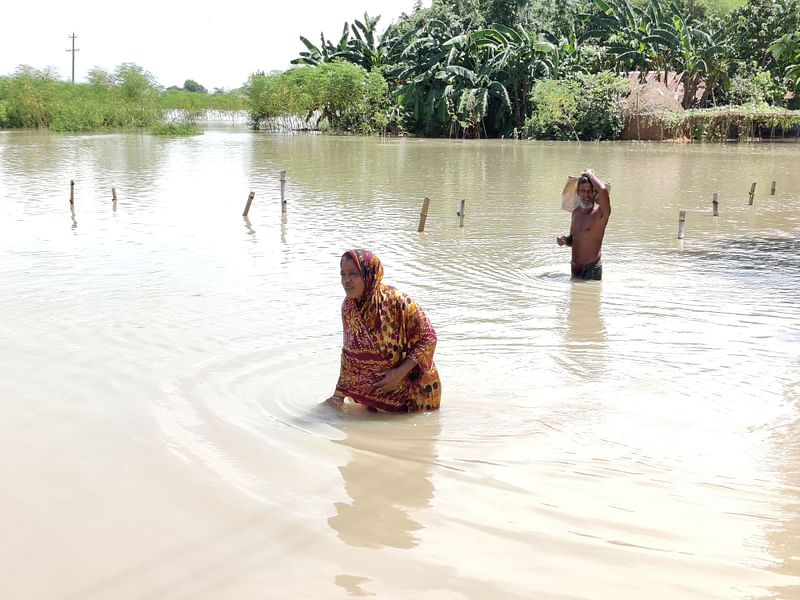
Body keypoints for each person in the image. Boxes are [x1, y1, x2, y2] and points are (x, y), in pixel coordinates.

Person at [326, 249, 441, 412]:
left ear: (369, 275)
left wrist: (397, 375)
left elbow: (429, 339)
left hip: (413, 396)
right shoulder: (348, 307)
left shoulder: (397, 302)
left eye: (353, 274)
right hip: (374, 398)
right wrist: (339, 395)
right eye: (343, 274)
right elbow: (350, 355)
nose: (346, 280)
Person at [557, 169, 611, 280]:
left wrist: (590, 175)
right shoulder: (576, 213)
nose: (586, 195)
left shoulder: (601, 214)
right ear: (578, 192)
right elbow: (574, 241)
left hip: (591, 269)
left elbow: (603, 190)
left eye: (590, 191)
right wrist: (564, 240)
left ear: (595, 193)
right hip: (575, 268)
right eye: (583, 191)